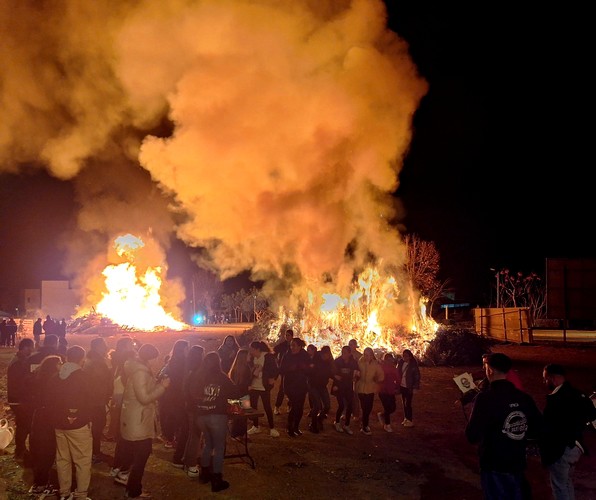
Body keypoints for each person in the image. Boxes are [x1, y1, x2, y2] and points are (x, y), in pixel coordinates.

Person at [465, 352, 542, 500]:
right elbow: (538, 427)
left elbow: (472, 435)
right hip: (517, 461)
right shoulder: (524, 398)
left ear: (490, 370)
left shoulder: (486, 398)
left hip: (494, 463)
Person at [118, 343, 170, 499]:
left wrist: (156, 381)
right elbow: (144, 397)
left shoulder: (139, 368)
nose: (157, 361)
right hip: (138, 421)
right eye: (156, 358)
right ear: (150, 357)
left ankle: (130, 487)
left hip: (135, 418)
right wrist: (163, 387)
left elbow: (143, 390)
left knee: (137, 455)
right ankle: (133, 491)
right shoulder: (140, 372)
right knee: (141, 456)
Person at [540, 363, 596, 500]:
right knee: (566, 482)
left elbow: (549, 428)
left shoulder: (556, 400)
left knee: (560, 486)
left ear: (552, 378)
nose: (544, 382)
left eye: (545, 378)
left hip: (562, 450)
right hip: (576, 447)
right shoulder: (579, 394)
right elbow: (592, 415)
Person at [188, 351, 241, 492]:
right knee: (218, 448)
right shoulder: (222, 377)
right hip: (216, 416)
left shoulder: (198, 376)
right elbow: (235, 393)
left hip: (201, 416)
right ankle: (216, 479)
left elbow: (190, 394)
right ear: (218, 363)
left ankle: (204, 474)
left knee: (208, 443)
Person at [50, 345, 93, 500]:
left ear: (67, 357)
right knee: (82, 460)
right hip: (77, 424)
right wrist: (74, 414)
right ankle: (81, 494)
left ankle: (64, 492)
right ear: (82, 359)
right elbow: (87, 399)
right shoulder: (83, 376)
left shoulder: (56, 376)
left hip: (58, 423)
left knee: (63, 459)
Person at [27, 355, 62, 496]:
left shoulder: (37, 378)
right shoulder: (53, 381)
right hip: (47, 418)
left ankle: (39, 482)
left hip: (38, 417)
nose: (62, 365)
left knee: (39, 450)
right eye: (60, 363)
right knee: (46, 451)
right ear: (54, 366)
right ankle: (41, 485)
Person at [83, 337, 113, 464]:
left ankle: (93, 451)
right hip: (96, 400)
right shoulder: (97, 362)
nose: (106, 347)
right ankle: (94, 453)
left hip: (94, 399)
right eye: (103, 345)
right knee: (98, 425)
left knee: (96, 426)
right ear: (96, 347)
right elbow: (101, 381)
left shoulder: (91, 359)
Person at [178, 345, 204, 477]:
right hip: (195, 408)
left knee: (191, 435)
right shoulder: (197, 372)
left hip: (189, 407)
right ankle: (191, 465)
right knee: (195, 436)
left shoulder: (189, 369)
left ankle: (186, 460)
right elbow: (195, 393)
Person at [158, 339, 189, 451]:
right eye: (186, 348)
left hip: (172, 394)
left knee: (172, 417)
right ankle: (172, 439)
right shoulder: (181, 362)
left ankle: (171, 438)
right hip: (177, 394)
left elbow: (162, 374)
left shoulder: (171, 362)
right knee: (177, 418)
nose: (188, 350)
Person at [7, 337, 35, 459]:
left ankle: (20, 449)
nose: (32, 351)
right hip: (18, 400)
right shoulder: (18, 363)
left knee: (23, 424)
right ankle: (20, 450)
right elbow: (19, 383)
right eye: (31, 348)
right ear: (25, 348)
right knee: (23, 425)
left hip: (17, 399)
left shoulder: (19, 360)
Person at [246, 341, 280, 437]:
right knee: (253, 407)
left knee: (267, 407)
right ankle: (256, 426)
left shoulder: (268, 357)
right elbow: (249, 371)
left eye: (252, 349)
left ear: (257, 349)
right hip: (253, 386)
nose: (250, 351)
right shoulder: (252, 358)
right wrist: (249, 362)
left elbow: (276, 369)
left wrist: (272, 378)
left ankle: (272, 428)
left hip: (264, 386)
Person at [279, 337, 310, 437]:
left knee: (300, 407)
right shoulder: (287, 356)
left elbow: (309, 368)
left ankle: (296, 427)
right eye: (291, 345)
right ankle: (290, 428)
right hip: (290, 385)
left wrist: (305, 368)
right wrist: (290, 369)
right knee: (295, 406)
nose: (292, 347)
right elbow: (281, 370)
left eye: (294, 345)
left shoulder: (304, 355)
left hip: (301, 384)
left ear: (300, 346)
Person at [355, 347, 384, 435]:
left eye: (369, 355)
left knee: (369, 408)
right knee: (364, 408)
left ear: (372, 356)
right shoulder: (360, 362)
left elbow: (381, 375)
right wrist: (356, 374)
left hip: (370, 388)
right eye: (365, 354)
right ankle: (365, 426)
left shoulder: (376, 364)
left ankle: (364, 423)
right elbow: (355, 371)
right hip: (361, 388)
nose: (367, 357)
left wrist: (377, 381)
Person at [332, 345, 360, 435]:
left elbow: (357, 372)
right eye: (342, 352)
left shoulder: (353, 362)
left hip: (348, 386)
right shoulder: (337, 361)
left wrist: (356, 377)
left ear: (349, 353)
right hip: (339, 387)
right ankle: (337, 423)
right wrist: (335, 379)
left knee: (350, 406)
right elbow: (332, 372)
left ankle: (347, 425)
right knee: (341, 405)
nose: (343, 354)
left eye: (345, 353)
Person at [228, 348, 252, 439]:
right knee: (243, 415)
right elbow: (247, 383)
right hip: (244, 395)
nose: (250, 357)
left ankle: (235, 433)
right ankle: (242, 433)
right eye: (248, 355)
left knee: (236, 415)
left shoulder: (234, 369)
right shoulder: (246, 369)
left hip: (234, 394)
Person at [397, 349, 421, 427]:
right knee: (404, 403)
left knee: (408, 403)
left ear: (410, 357)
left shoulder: (413, 365)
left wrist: (415, 387)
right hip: (402, 386)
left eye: (406, 356)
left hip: (409, 387)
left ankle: (410, 420)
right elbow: (397, 372)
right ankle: (406, 418)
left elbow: (417, 376)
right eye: (403, 356)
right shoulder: (401, 363)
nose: (404, 357)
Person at [378, 353, 400, 432]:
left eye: (391, 359)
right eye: (389, 360)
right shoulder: (381, 367)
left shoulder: (393, 368)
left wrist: (397, 387)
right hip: (383, 391)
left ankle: (381, 415)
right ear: (385, 360)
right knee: (387, 408)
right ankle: (387, 425)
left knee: (393, 408)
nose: (390, 361)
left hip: (391, 391)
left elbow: (397, 378)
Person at [273, 328, 294, 414]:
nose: (287, 337)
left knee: (292, 389)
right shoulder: (283, 345)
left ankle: (290, 406)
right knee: (282, 389)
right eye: (286, 335)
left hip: (292, 371)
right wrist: (277, 360)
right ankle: (277, 407)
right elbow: (275, 350)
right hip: (284, 371)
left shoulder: (294, 345)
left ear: (292, 336)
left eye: (288, 335)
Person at [348, 338, 363, 421]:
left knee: (355, 397)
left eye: (352, 345)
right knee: (346, 396)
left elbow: (360, 368)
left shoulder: (359, 356)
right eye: (349, 345)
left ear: (355, 346)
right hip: (347, 378)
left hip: (355, 379)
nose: (350, 346)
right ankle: (347, 412)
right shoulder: (347, 355)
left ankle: (356, 414)